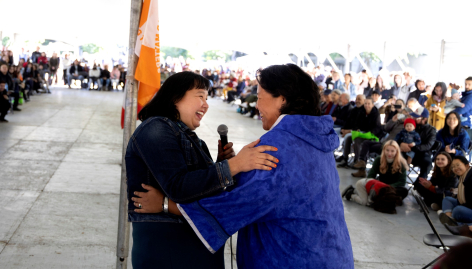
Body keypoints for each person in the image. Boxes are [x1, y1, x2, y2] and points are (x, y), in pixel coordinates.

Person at [131, 64, 354, 268]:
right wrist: (229, 166)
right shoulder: (314, 141)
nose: (256, 105)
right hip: (325, 251)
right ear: (174, 97)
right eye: (200, 96)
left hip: (291, 257)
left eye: (259, 97)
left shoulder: (279, 147)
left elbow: (238, 202)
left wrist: (166, 205)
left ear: (281, 99)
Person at [124, 71, 279, 268]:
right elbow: (179, 187)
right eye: (200, 96)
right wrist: (233, 165)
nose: (206, 104)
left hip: (192, 247)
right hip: (169, 247)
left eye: (207, 97)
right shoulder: (156, 128)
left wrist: (221, 166)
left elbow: (201, 190)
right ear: (175, 97)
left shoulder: (190, 137)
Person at [342, 142, 405, 214]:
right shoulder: (379, 159)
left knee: (403, 191)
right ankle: (351, 193)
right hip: (377, 185)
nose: (389, 153)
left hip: (390, 187)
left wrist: (390, 187)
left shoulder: (401, 162)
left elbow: (402, 181)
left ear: (397, 152)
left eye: (392, 151)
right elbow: (371, 176)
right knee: (365, 202)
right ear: (384, 150)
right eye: (387, 150)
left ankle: (384, 198)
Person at [352, 102, 407, 177]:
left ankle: (374, 173)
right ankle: (362, 165)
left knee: (368, 146)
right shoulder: (397, 121)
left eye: (405, 114)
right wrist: (392, 120)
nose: (403, 115)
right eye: (402, 113)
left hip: (392, 147)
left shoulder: (407, 126)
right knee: (366, 143)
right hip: (384, 143)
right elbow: (386, 128)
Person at [338, 97, 382, 168]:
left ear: (373, 105)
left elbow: (377, 128)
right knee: (348, 137)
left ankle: (357, 161)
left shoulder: (376, 114)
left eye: (369, 104)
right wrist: (356, 129)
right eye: (365, 103)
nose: (367, 105)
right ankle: (345, 158)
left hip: (371, 135)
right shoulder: (361, 112)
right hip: (361, 132)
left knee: (357, 139)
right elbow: (357, 124)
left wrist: (365, 133)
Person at [403, 98, 436, 178]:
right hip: (407, 151)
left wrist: (413, 148)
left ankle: (418, 185)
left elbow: (428, 145)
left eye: (417, 118)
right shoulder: (412, 126)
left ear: (424, 119)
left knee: (428, 164)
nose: (414, 119)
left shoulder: (431, 130)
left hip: (422, 153)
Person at [439, 156, 472, 233]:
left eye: (458, 165)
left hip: (469, 206)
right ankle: (450, 219)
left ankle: (459, 224)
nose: (455, 168)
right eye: (453, 167)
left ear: (467, 165)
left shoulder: (470, 178)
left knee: (458, 210)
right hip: (466, 204)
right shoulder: (462, 177)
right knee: (447, 199)